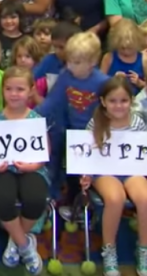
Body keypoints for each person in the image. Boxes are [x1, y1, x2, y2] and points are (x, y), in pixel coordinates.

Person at [80, 76, 147, 276]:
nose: (118, 106)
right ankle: (109, 250)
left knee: (145, 197)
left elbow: (144, 152)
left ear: (131, 101)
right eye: (113, 101)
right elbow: (86, 153)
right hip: (105, 171)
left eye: (124, 101)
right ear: (103, 102)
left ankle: (144, 249)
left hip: (131, 169)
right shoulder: (96, 123)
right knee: (115, 198)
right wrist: (86, 175)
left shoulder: (137, 122)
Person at [0, 67, 49, 275]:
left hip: (31, 169)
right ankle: (25, 246)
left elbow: (44, 151)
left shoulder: (36, 119)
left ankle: (16, 238)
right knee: (2, 197)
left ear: (30, 91)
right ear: (3, 91)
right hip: (2, 169)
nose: (14, 93)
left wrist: (33, 166)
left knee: (36, 198)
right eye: (9, 88)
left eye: (20, 89)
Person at [35, 32, 109, 221]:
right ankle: (71, 202)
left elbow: (109, 110)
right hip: (70, 131)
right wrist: (30, 118)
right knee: (70, 170)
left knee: (87, 174)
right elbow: (52, 102)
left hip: (94, 133)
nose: (69, 66)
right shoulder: (66, 76)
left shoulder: (102, 82)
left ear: (92, 62)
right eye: (69, 61)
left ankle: (86, 206)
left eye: (76, 62)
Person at [100, 20, 145, 94]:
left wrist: (139, 83)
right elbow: (99, 84)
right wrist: (113, 80)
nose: (126, 51)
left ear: (137, 42)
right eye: (122, 48)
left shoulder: (144, 59)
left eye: (130, 48)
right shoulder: (108, 57)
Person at [0, 0, 25, 68]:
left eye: (13, 17)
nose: (8, 21)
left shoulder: (27, 40)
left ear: (20, 18)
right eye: (4, 17)